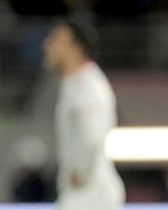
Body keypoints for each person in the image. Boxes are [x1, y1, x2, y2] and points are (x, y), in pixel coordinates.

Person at [42, 20, 125, 210]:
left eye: (56, 39)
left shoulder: (85, 85)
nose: (47, 44)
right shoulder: (76, 83)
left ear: (76, 48)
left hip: (90, 193)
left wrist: (80, 171)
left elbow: (92, 135)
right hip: (87, 192)